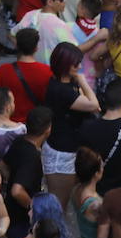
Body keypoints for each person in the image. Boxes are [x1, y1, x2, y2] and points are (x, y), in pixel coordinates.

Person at [42, 42, 99, 210]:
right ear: (66, 65)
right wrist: (82, 81)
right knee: (60, 203)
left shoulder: (62, 83)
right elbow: (94, 104)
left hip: (67, 146)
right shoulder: (62, 90)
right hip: (61, 152)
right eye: (76, 64)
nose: (80, 67)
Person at [0, 28, 53, 122]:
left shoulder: (3, 70)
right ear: (36, 48)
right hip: (36, 124)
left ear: (16, 45)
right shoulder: (48, 71)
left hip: (10, 123)